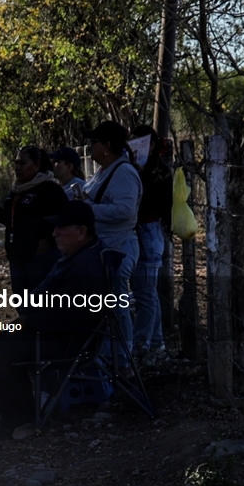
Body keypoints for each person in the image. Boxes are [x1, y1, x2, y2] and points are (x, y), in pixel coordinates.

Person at [0, 200, 108, 441]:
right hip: (62, 333)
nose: (54, 233)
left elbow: (72, 318)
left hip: (70, 343)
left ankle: (16, 420)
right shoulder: (81, 254)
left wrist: (28, 321)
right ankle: (22, 414)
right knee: (1, 340)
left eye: (61, 228)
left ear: (81, 231)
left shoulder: (85, 265)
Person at [80, 121, 141, 361]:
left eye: (94, 142)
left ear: (106, 146)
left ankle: (123, 361)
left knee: (117, 307)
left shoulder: (124, 172)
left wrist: (89, 210)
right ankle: (106, 357)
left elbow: (125, 211)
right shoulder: (105, 170)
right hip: (105, 248)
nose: (90, 147)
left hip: (119, 248)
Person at [0, 146, 68, 294]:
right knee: (22, 303)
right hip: (16, 256)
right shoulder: (16, 190)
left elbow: (65, 219)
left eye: (23, 163)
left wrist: (47, 239)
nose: (18, 167)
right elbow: (13, 221)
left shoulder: (50, 190)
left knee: (41, 304)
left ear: (36, 165)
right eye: (16, 163)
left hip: (40, 259)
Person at [129, 125, 173, 364]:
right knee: (146, 292)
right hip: (144, 233)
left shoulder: (158, 171)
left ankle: (141, 346)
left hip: (148, 231)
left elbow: (157, 204)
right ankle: (155, 344)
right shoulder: (143, 168)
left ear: (151, 144)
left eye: (138, 143)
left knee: (145, 293)